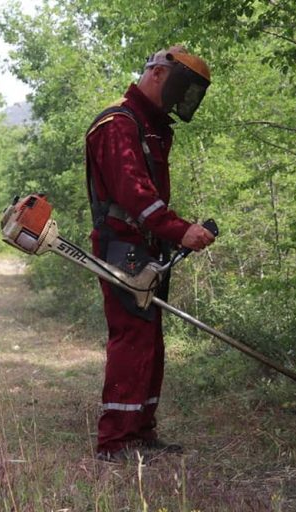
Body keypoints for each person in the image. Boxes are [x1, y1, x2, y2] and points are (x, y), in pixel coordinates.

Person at [85, 46, 216, 461]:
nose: (183, 100)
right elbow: (134, 196)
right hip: (122, 246)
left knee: (150, 339)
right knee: (132, 336)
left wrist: (171, 236)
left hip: (149, 247)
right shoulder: (117, 124)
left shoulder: (153, 125)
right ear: (159, 74)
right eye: (182, 87)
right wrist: (181, 230)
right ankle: (115, 442)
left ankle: (141, 431)